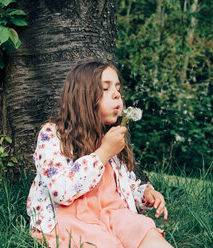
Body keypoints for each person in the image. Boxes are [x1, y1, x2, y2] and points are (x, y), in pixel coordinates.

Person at [27, 61, 173, 248]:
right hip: (72, 218)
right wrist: (103, 152)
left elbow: (124, 187)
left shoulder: (110, 138)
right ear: (82, 97)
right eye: (105, 88)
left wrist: (145, 194)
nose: (117, 95)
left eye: (118, 89)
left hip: (114, 215)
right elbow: (60, 191)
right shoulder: (54, 135)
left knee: (145, 231)